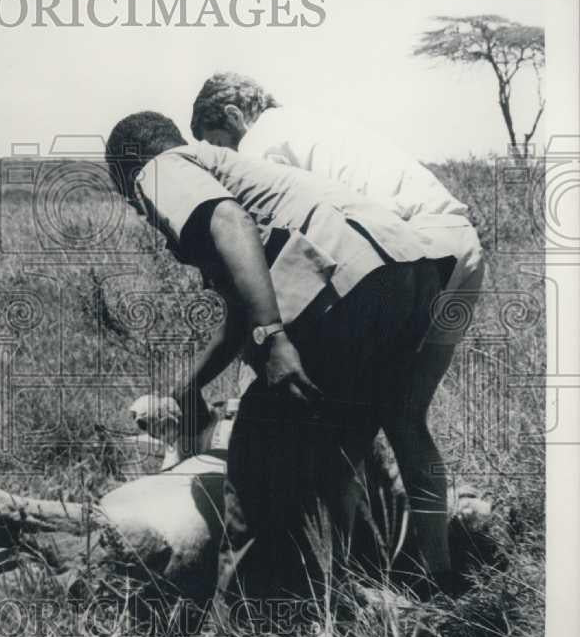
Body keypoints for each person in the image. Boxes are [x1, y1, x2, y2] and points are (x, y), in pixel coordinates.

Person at [105, 112, 455, 629]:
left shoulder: (158, 169)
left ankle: (239, 635)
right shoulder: (228, 167)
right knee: (330, 459)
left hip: (353, 280)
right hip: (411, 273)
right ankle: (328, 608)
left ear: (125, 172)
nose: (138, 206)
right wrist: (190, 384)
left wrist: (272, 338)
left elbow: (230, 224)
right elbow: (238, 315)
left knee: (255, 466)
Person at [190, 72, 486, 587]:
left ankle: (342, 582)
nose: (225, 160)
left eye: (220, 145)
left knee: (337, 431)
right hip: (460, 247)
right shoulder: (314, 127)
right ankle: (436, 571)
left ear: (234, 119)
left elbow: (272, 249)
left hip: (410, 252)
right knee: (406, 418)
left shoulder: (261, 143)